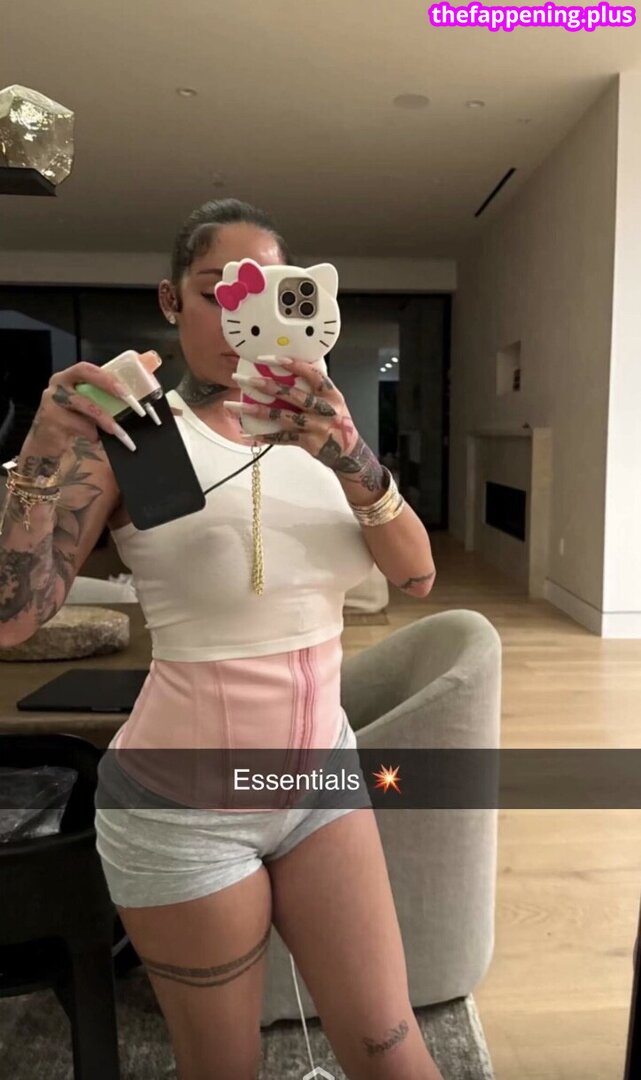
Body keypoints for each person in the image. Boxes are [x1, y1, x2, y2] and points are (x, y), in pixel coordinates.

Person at [0, 198, 441, 1080]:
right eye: (215, 293)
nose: (244, 318)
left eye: (269, 293)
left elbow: (418, 575)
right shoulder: (134, 439)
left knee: (392, 1052)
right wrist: (43, 453)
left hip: (319, 786)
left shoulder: (323, 431)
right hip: (181, 811)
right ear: (172, 301)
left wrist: (351, 454)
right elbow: (13, 617)